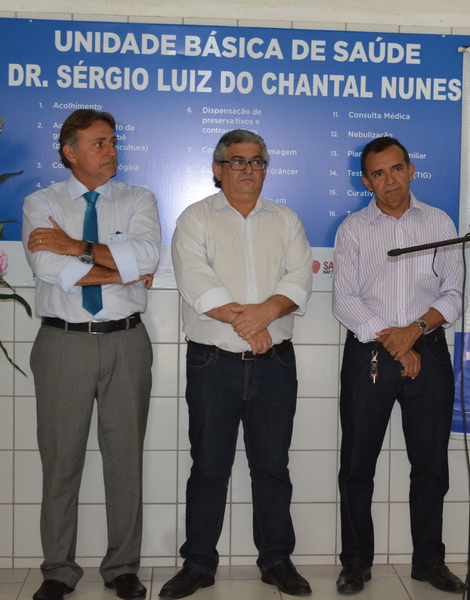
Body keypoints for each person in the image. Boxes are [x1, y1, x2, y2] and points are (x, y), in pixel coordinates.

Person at [160, 129, 313, 600]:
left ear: (266, 168)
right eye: (237, 161)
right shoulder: (195, 218)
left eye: (256, 161)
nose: (248, 169)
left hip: (275, 365)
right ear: (217, 169)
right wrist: (251, 323)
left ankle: (276, 560)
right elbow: (195, 281)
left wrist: (263, 315)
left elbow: (299, 278)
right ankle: (199, 563)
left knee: (272, 468)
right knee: (209, 467)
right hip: (213, 364)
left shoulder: (286, 220)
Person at [22, 109, 161, 600]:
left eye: (113, 142)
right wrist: (113, 264)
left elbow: (146, 259)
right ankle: (58, 570)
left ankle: (123, 567)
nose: (111, 151)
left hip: (127, 340)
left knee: (126, 460)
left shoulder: (138, 199)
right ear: (70, 151)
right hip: (63, 344)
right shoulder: (41, 203)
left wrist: (75, 245)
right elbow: (49, 267)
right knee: (61, 463)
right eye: (99, 143)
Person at [332, 136, 465, 594]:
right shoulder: (352, 229)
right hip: (369, 350)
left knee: (430, 464)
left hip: (427, 349)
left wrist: (414, 332)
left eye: (396, 169)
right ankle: (355, 562)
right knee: (356, 464)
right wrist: (396, 340)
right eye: (377, 173)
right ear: (365, 180)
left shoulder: (440, 222)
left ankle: (428, 560)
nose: (389, 181)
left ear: (411, 170)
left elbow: (453, 294)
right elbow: (344, 300)